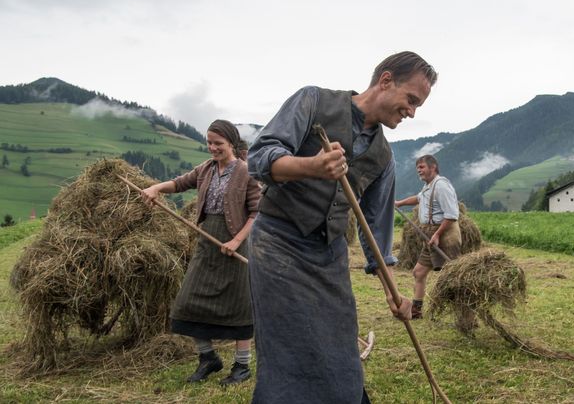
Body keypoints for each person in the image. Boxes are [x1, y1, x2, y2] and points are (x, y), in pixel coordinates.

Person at [247, 51, 436, 403]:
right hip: (278, 244)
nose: (411, 112)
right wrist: (312, 166)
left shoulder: (383, 156)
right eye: (411, 100)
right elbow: (258, 157)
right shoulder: (314, 101)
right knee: (287, 344)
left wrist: (393, 292)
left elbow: (375, 230)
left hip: (328, 253)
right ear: (385, 81)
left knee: (338, 344)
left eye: (418, 107)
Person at [141, 119, 261, 384]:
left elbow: (256, 212)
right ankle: (208, 358)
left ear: (231, 143)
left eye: (218, 143)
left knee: (239, 306)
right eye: (209, 142)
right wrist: (156, 189)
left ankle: (242, 366)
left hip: (236, 245)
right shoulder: (206, 169)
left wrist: (235, 240)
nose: (213, 148)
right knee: (187, 302)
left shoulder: (246, 172)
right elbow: (179, 183)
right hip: (207, 244)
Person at [395, 154, 461, 320]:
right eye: (417, 167)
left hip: (445, 235)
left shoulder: (441, 186)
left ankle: (466, 315)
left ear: (433, 168)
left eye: (422, 167)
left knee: (453, 277)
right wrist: (399, 203)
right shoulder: (428, 187)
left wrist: (438, 234)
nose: (419, 170)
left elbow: (452, 215)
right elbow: (418, 198)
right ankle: (416, 311)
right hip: (430, 235)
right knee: (418, 272)